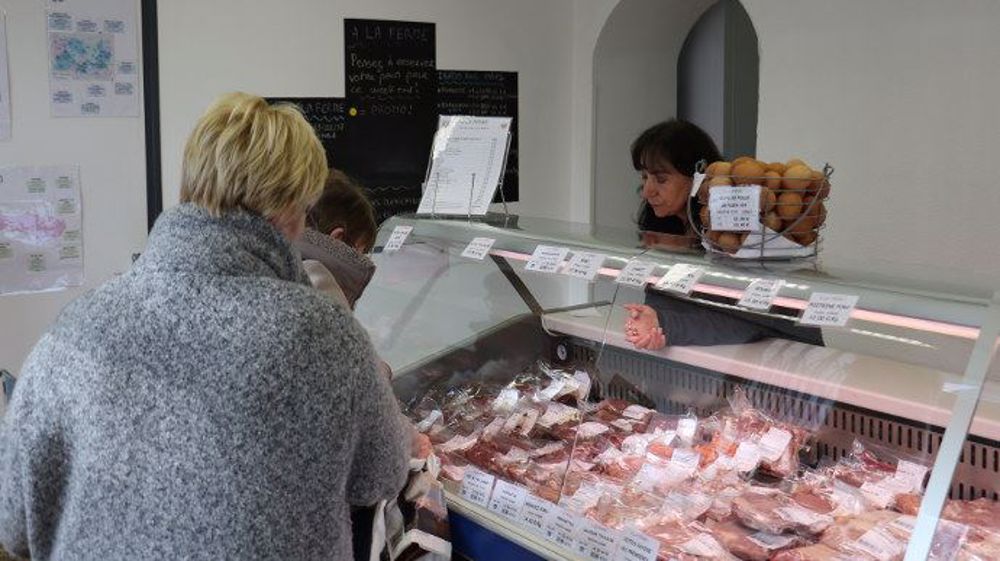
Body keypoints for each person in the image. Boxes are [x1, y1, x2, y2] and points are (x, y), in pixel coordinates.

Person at [0, 93, 411, 561]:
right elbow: (382, 474)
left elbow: (13, 523)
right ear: (287, 210)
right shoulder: (326, 336)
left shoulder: (73, 329)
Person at [625, 119, 823, 350]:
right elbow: (664, 306)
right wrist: (652, 320)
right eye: (644, 177)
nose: (648, 191)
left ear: (697, 178)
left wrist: (667, 325)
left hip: (782, 362)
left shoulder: (741, 233)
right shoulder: (665, 230)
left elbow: (753, 319)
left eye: (661, 179)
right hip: (715, 362)